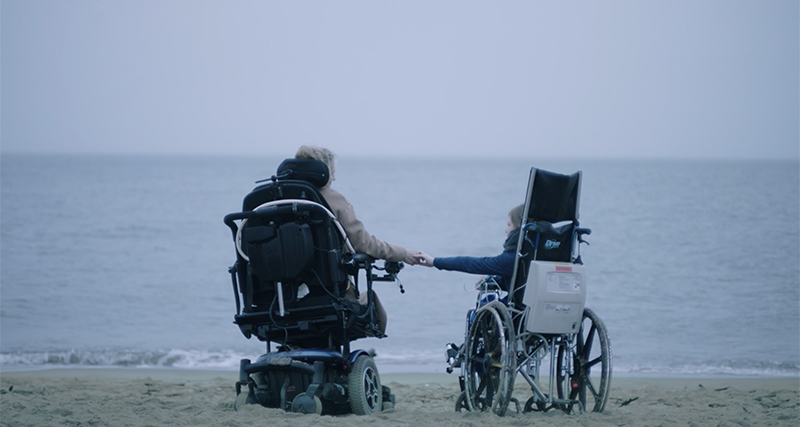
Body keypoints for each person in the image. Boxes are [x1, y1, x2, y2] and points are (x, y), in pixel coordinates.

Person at [294, 145, 419, 334]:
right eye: (332, 173)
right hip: (328, 296)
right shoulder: (332, 200)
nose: (334, 178)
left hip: (278, 301)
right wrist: (402, 253)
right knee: (370, 304)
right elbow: (364, 244)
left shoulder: (269, 199)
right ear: (321, 173)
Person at [416, 204, 525, 292]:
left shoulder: (512, 259)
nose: (506, 230)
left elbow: (469, 263)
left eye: (509, 225)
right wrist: (493, 282)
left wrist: (435, 261)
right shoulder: (529, 256)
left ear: (518, 230)